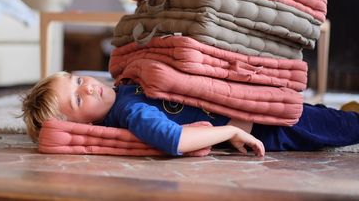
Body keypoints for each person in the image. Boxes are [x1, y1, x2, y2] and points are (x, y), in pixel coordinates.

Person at [21, 71, 359, 157]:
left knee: (325, 114)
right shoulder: (131, 112)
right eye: (78, 100)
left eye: (79, 81)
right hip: (267, 127)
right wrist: (231, 132)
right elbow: (175, 140)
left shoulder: (124, 87)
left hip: (258, 103)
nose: (88, 88)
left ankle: (345, 111)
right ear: (86, 125)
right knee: (343, 129)